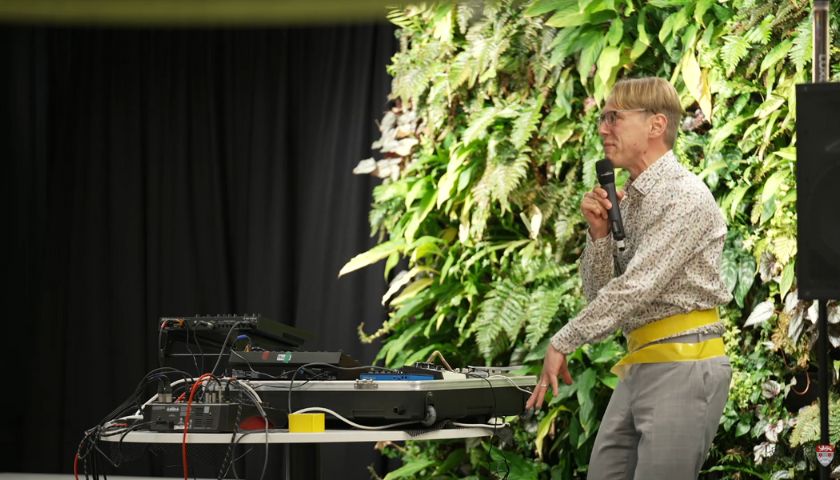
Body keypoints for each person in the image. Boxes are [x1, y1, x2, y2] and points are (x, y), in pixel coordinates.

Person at [525, 77, 732, 479]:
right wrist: (600, 236)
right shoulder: (632, 198)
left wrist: (564, 339)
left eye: (614, 117)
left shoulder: (684, 195)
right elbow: (599, 295)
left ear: (656, 125)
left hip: (684, 366)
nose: (603, 128)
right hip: (641, 363)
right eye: (603, 118)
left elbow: (638, 286)